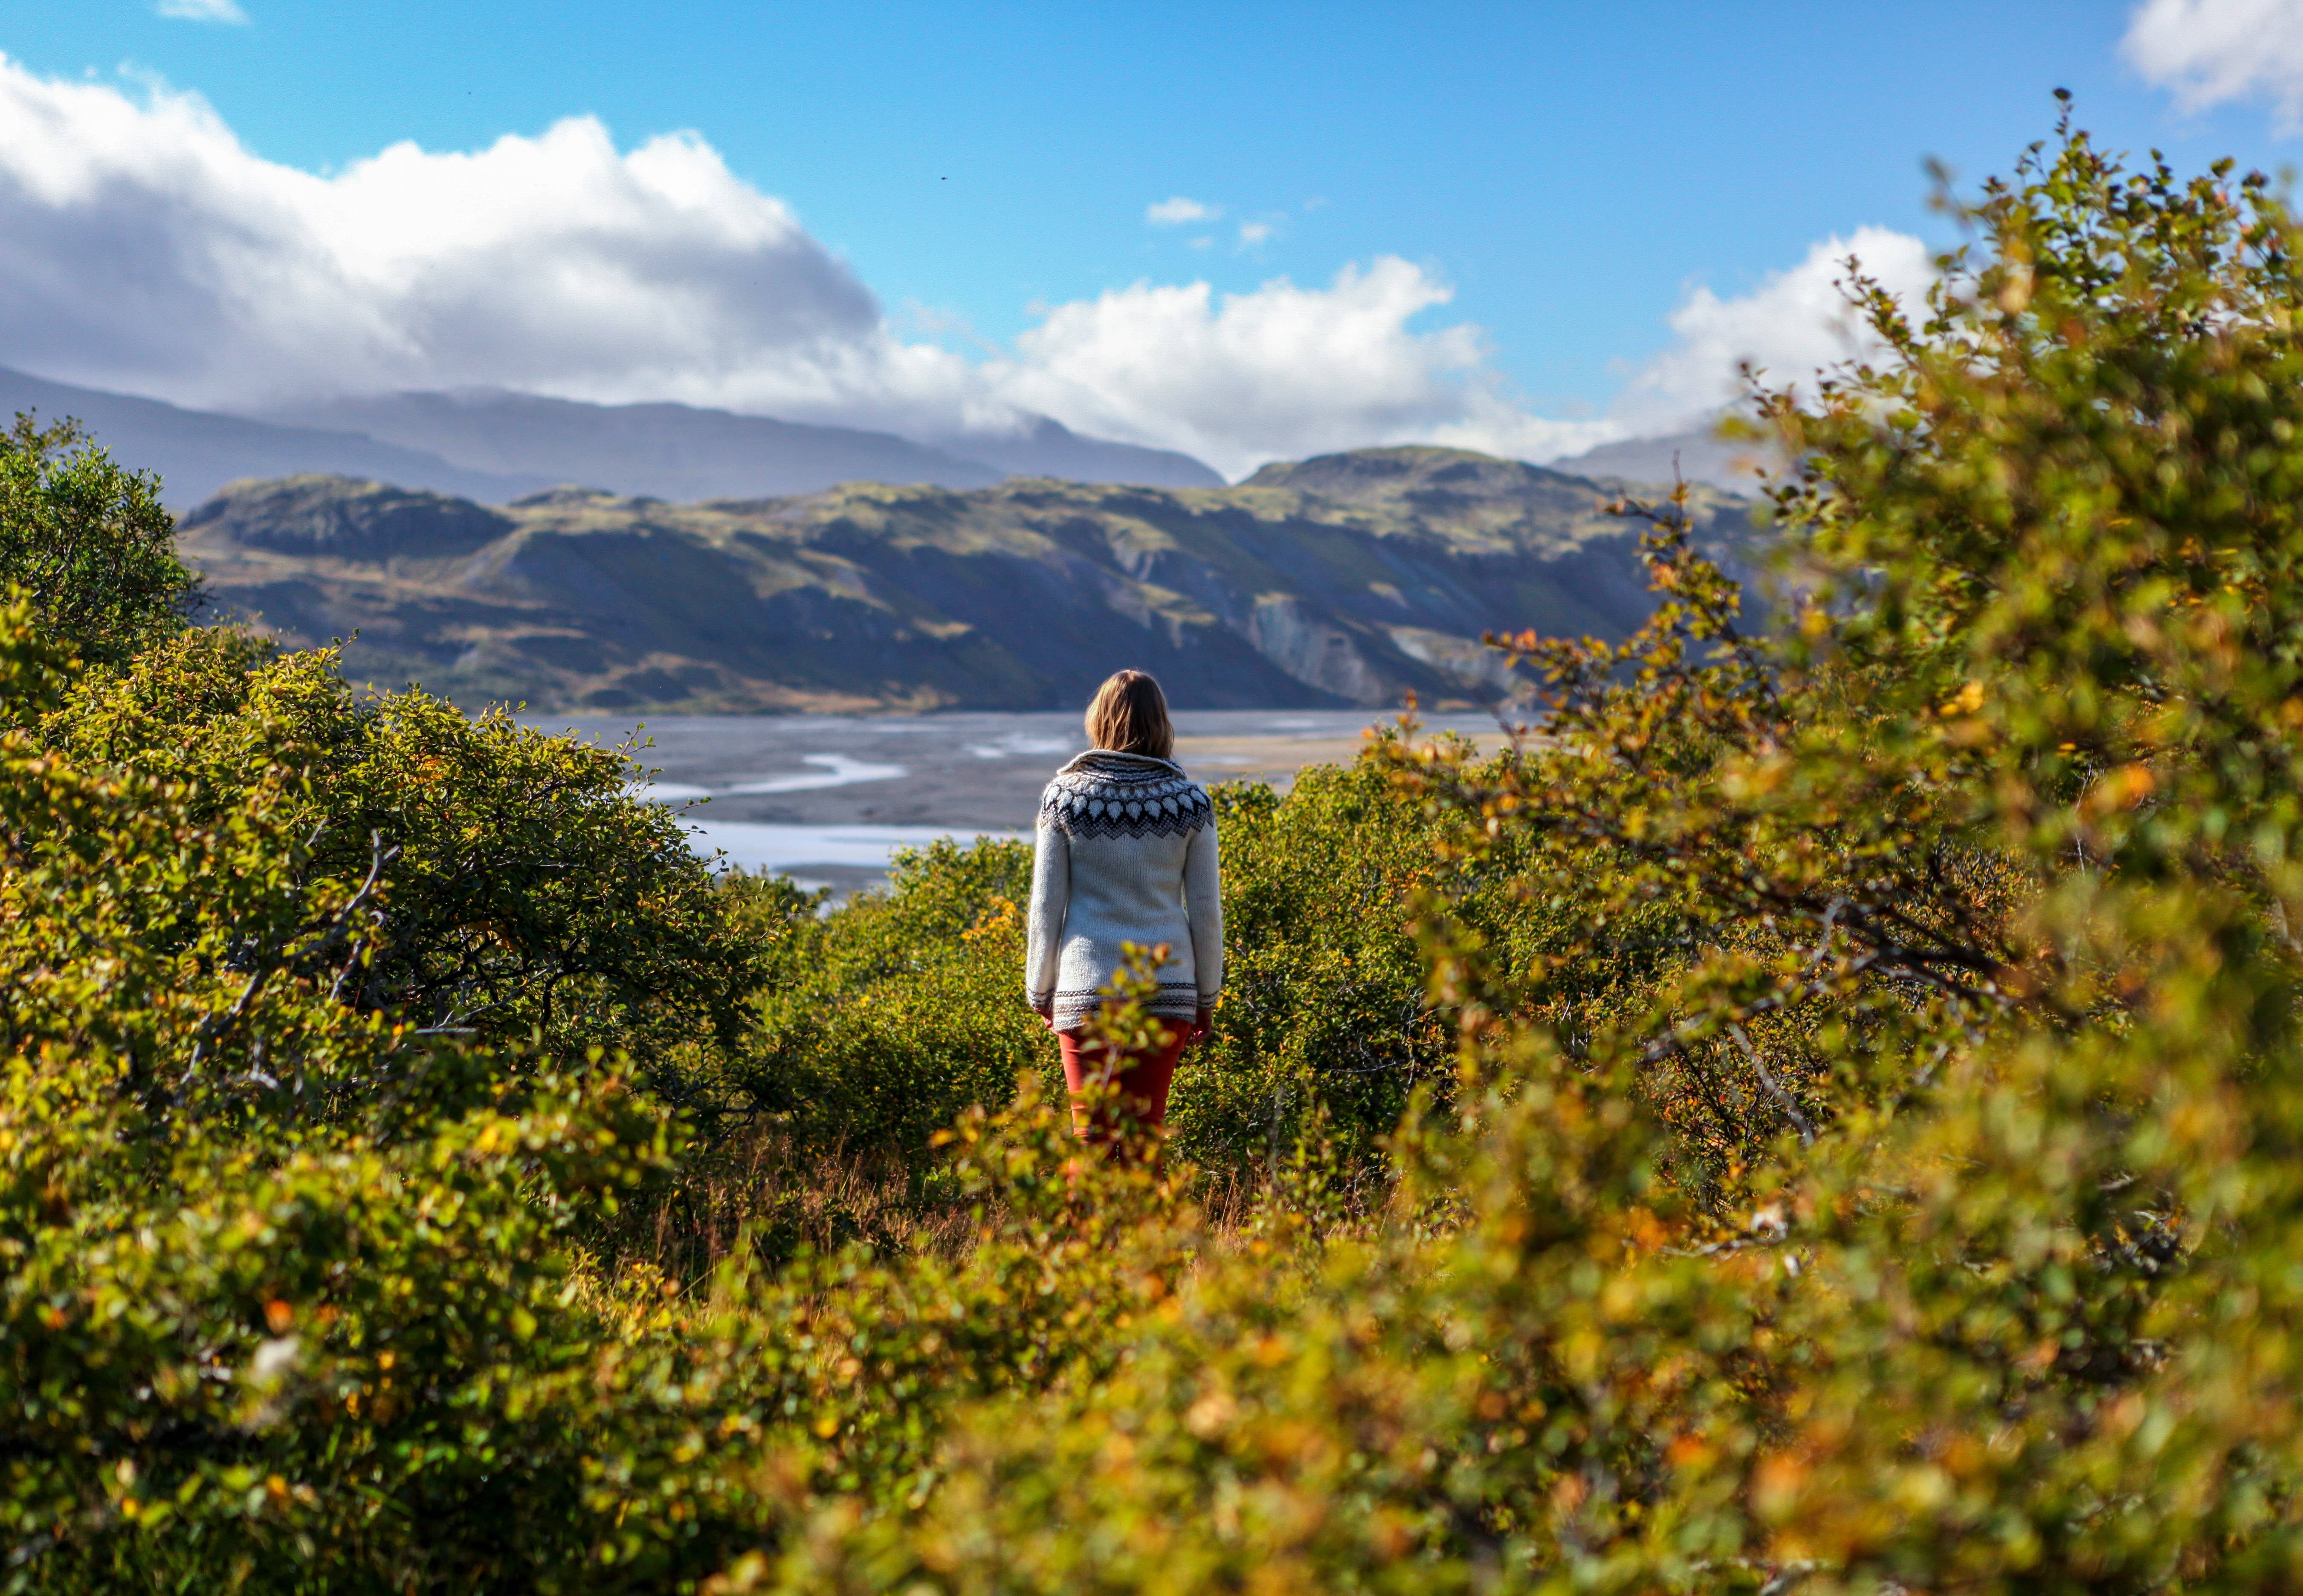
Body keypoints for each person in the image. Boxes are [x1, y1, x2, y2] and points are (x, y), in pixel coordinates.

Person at [1025, 670, 1222, 1148]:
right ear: (1162, 723)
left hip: (1083, 992)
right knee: (1142, 1142)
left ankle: (1080, 1227)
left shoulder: (1065, 799)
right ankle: (1148, 1227)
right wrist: (1206, 998)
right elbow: (1206, 912)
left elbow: (1046, 906)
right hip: (1166, 991)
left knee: (1090, 1142)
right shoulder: (1191, 802)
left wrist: (1040, 991)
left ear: (1099, 718)